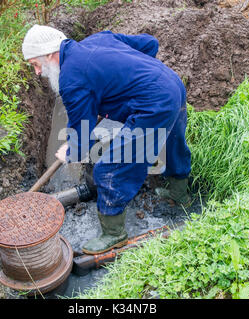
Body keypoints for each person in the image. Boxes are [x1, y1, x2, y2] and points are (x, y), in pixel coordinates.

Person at [22, 25, 192, 255]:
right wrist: (133, 75)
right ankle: (180, 194)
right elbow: (150, 43)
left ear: (50, 55)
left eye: (35, 64)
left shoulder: (72, 80)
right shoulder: (98, 39)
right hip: (171, 84)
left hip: (153, 106)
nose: (37, 72)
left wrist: (69, 149)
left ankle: (114, 234)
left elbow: (82, 133)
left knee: (110, 169)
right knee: (172, 143)